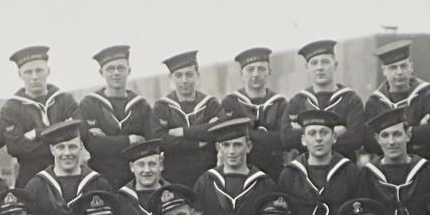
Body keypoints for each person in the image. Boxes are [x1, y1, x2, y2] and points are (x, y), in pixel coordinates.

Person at [275, 107, 359, 215]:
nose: (318, 138)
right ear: (303, 140)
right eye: (312, 133)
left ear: (334, 137)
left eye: (324, 132)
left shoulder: (350, 171)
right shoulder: (290, 174)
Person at [356, 102, 430, 215]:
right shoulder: (367, 175)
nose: (391, 142)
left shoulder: (427, 172)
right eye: (385, 136)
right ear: (377, 138)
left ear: (408, 134)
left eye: (397, 134)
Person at [193, 114, 278, 215]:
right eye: (226, 145)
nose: (232, 151)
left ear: (249, 146)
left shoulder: (264, 183)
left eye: (237, 145)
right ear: (218, 148)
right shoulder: (206, 182)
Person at [21, 118, 112, 215]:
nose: (67, 153)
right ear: (52, 150)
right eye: (61, 147)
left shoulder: (98, 183)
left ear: (80, 146)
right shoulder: (36, 186)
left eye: (72, 147)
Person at [77, 45, 152, 185]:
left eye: (121, 68)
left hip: (135, 178)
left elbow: (149, 142)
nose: (116, 73)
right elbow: (91, 144)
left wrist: (108, 141)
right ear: (101, 72)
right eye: (110, 68)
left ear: (129, 70)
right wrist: (131, 140)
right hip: (101, 176)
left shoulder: (141, 105)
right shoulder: (89, 104)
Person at [0, 45, 70, 188]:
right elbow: (15, 148)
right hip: (30, 177)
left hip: (66, 177)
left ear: (48, 71)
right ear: (20, 74)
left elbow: (75, 137)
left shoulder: (64, 100)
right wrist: (58, 139)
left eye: (39, 70)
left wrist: (36, 134)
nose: (34, 77)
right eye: (28, 72)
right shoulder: (11, 108)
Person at [290, 37, 367, 157]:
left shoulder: (351, 99)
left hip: (343, 168)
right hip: (307, 169)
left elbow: (356, 139)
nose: (320, 67)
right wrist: (334, 132)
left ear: (335, 64)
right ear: (307, 67)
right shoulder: (298, 101)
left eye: (325, 62)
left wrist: (306, 133)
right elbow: (286, 138)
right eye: (314, 63)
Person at [148, 50, 212, 188]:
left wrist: (183, 132)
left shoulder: (210, 103)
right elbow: (159, 139)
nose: (184, 80)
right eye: (178, 75)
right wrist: (195, 144)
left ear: (198, 76)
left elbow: (217, 130)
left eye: (189, 74)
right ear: (171, 78)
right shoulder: (162, 106)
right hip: (175, 174)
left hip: (208, 172)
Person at [224, 46, 286, 175]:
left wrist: (247, 133)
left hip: (274, 168)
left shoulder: (280, 103)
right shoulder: (230, 103)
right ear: (242, 73)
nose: (256, 74)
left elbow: (284, 139)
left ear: (269, 71)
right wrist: (268, 137)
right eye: (250, 69)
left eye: (261, 69)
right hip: (241, 170)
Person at [110, 138, 174, 215]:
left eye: (152, 164)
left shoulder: (175, 196)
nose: (147, 170)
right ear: (131, 167)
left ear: (161, 165)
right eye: (140, 165)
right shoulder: (120, 199)